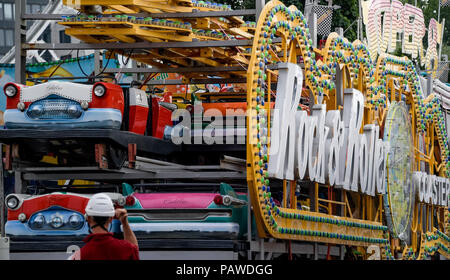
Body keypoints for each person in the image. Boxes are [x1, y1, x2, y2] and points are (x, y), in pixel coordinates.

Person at [71, 193, 139, 260]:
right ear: (111, 219)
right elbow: (134, 250)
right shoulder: (126, 249)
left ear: (88, 218)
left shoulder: (78, 256)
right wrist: (125, 223)